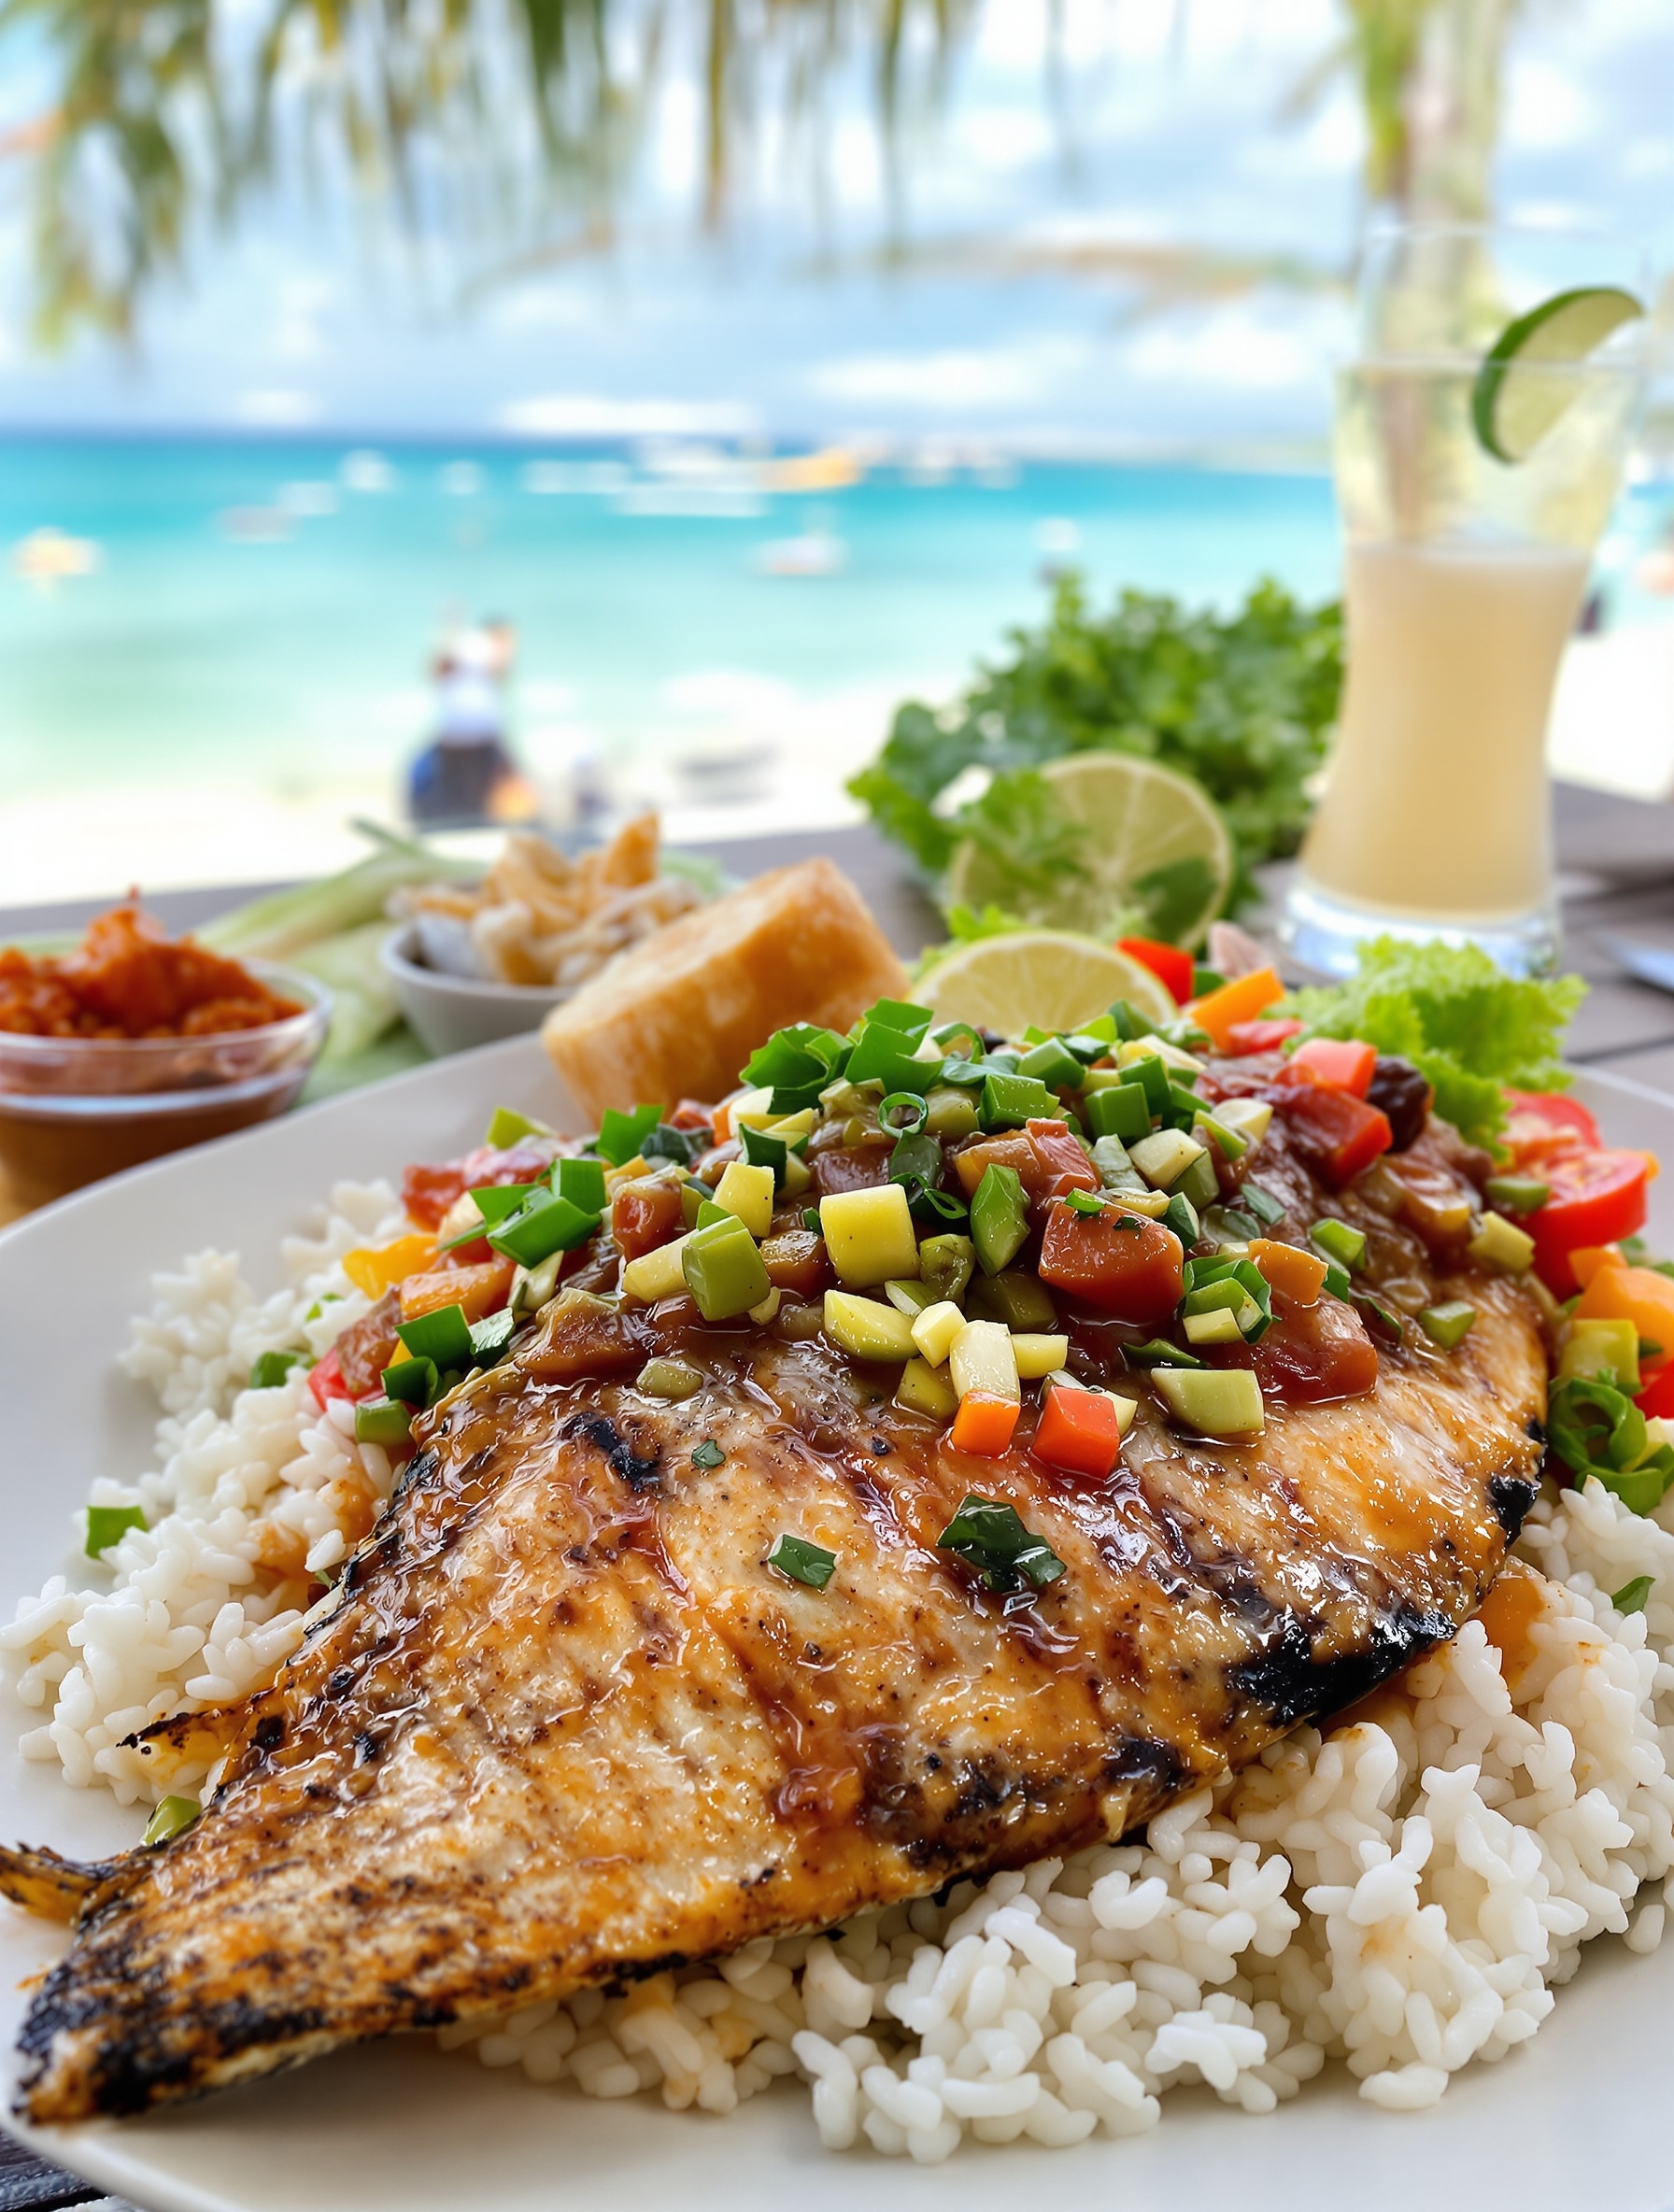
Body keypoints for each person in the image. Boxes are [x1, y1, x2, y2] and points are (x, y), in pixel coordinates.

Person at [407, 618, 539, 828]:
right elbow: (441, 669)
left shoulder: (474, 655)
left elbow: (441, 671)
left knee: (472, 799)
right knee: (471, 797)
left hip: (465, 736)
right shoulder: (477, 650)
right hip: (470, 739)